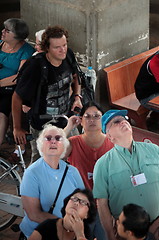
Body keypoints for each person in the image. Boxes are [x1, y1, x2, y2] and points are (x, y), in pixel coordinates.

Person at [93, 109, 159, 240]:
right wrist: (110, 234)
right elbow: (102, 203)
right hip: (126, 233)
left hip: (158, 227)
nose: (123, 122)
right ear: (110, 136)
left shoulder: (153, 149)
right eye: (116, 121)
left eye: (124, 119)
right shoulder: (102, 164)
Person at [12, 25, 82, 163]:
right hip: (42, 123)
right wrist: (17, 128)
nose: (63, 50)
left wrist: (77, 96)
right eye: (57, 47)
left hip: (65, 117)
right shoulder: (36, 66)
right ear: (47, 48)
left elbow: (76, 76)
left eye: (65, 45)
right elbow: (17, 96)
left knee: (76, 152)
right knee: (42, 162)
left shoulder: (68, 55)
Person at [19, 125, 84, 239]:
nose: (53, 141)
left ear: (63, 146)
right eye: (48, 138)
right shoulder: (32, 173)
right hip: (41, 234)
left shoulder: (72, 171)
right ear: (41, 146)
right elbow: (34, 214)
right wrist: (66, 224)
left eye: (58, 138)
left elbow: (84, 201)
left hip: (67, 234)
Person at [64, 101, 112, 240]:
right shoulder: (73, 142)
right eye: (87, 116)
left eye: (96, 116)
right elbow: (55, 153)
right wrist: (68, 127)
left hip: (105, 205)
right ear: (81, 121)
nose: (92, 120)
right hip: (80, 206)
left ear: (103, 119)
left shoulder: (112, 143)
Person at [0, 18, 34, 147]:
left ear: (17, 36)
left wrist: (0, 83)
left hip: (11, 90)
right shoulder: (1, 44)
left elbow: (20, 77)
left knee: (2, 110)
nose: (3, 31)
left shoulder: (26, 51)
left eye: (7, 30)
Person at [28, 188, 97, 240]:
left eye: (83, 202)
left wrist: (80, 235)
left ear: (87, 215)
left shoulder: (88, 233)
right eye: (74, 199)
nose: (76, 203)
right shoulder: (48, 225)